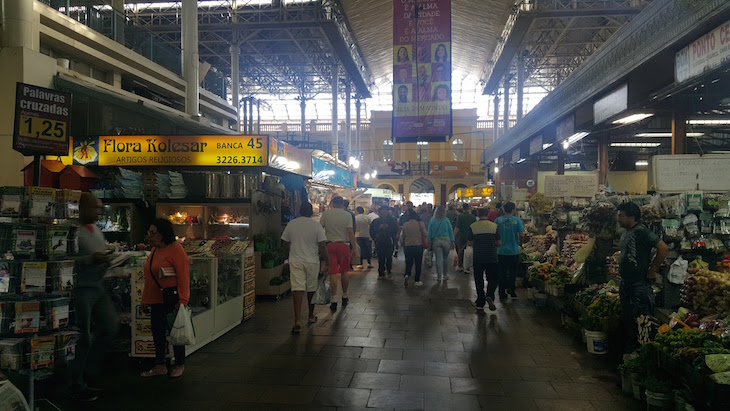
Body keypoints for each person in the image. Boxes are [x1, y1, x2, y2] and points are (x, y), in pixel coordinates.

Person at [69, 193, 118, 402]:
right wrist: (91, 259)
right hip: (81, 289)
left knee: (110, 326)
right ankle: (76, 384)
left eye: (100, 208)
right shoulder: (71, 230)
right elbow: (64, 260)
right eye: (95, 208)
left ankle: (90, 369)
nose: (98, 213)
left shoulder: (96, 229)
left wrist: (108, 259)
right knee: (83, 336)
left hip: (99, 286)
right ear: (80, 208)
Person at [140, 218, 190, 379]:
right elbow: (149, 276)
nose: (149, 236)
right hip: (155, 299)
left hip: (171, 298)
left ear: (162, 235)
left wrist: (183, 299)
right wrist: (145, 299)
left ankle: (179, 363)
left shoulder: (176, 249)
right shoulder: (154, 250)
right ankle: (160, 364)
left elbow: (183, 276)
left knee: (177, 332)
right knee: (158, 333)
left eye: (153, 233)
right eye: (149, 233)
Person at [617, 202, 669, 351]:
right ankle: (630, 351)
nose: (618, 219)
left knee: (643, 321)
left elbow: (663, 248)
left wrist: (653, 270)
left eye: (621, 216)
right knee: (629, 320)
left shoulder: (642, 231)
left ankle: (641, 354)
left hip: (639, 284)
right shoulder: (626, 232)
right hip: (626, 283)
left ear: (632, 217)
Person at [281, 203, 329, 334]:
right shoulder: (316, 225)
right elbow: (322, 246)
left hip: (295, 260)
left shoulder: (292, 224)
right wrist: (326, 261)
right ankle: (310, 315)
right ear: (311, 212)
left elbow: (285, 242)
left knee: (297, 289)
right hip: (312, 261)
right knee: (311, 288)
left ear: (300, 211)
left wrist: (288, 255)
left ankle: (297, 320)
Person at [320, 196, 357, 311]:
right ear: (342, 204)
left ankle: (334, 299)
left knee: (333, 273)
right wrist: (354, 247)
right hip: (344, 245)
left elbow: (320, 229)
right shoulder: (347, 215)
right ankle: (345, 296)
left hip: (329, 245)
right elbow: (350, 232)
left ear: (332, 203)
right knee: (344, 271)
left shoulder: (326, 214)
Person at [468, 208, 501, 311]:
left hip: (478, 257)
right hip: (492, 257)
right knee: (493, 279)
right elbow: (499, 242)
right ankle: (490, 295)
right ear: (487, 214)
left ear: (478, 214)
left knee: (479, 279)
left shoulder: (473, 226)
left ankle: (480, 301)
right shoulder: (494, 226)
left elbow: (469, 243)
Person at [495, 202, 524, 299]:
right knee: (512, 272)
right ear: (513, 210)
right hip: (513, 251)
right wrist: (520, 244)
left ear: (504, 209)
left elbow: (494, 234)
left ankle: (502, 291)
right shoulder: (517, 221)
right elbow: (521, 235)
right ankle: (511, 289)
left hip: (501, 251)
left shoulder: (498, 220)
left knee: (501, 272)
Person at [400, 209, 428, 287]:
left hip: (408, 246)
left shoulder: (405, 224)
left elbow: (402, 236)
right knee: (418, 263)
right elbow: (425, 234)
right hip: (418, 245)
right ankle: (417, 280)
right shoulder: (420, 224)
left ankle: (407, 275)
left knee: (408, 262)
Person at [428, 206, 455, 281]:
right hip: (446, 240)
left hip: (436, 241)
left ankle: (439, 276)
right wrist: (452, 240)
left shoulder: (432, 220)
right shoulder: (446, 220)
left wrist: (429, 241)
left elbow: (429, 232)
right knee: (445, 259)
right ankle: (445, 275)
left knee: (438, 259)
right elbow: (450, 231)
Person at [370, 207, 398, 279]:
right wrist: (378, 231)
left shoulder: (392, 220)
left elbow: (395, 230)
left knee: (389, 257)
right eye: (382, 212)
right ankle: (381, 272)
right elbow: (372, 231)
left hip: (389, 241)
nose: (384, 213)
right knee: (381, 257)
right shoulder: (376, 221)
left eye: (385, 211)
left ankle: (389, 270)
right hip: (379, 241)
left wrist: (389, 228)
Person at [453, 203, 476, 271]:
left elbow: (457, 228)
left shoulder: (460, 217)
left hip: (461, 237)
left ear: (463, 208)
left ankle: (460, 266)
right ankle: (467, 267)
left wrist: (453, 236)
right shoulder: (473, 217)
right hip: (471, 237)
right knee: (469, 253)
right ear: (469, 208)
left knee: (461, 252)